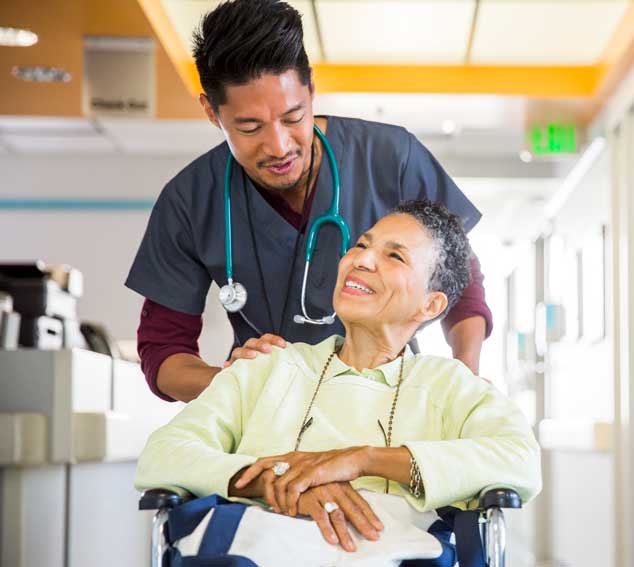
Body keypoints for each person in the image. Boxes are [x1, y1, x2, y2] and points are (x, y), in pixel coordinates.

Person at [125, 0, 493, 404]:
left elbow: (460, 276)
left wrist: (465, 375)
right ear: (212, 112)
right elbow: (162, 351)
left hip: (388, 405)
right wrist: (238, 386)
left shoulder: (391, 159)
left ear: (311, 90)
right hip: (263, 421)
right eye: (250, 127)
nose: (279, 146)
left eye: (292, 117)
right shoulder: (189, 201)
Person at [134, 201, 541, 559]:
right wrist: (278, 481)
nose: (361, 261)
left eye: (395, 257)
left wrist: (359, 459)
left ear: (429, 304)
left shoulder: (447, 384)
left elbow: (520, 460)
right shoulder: (268, 367)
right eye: (361, 245)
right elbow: (163, 453)